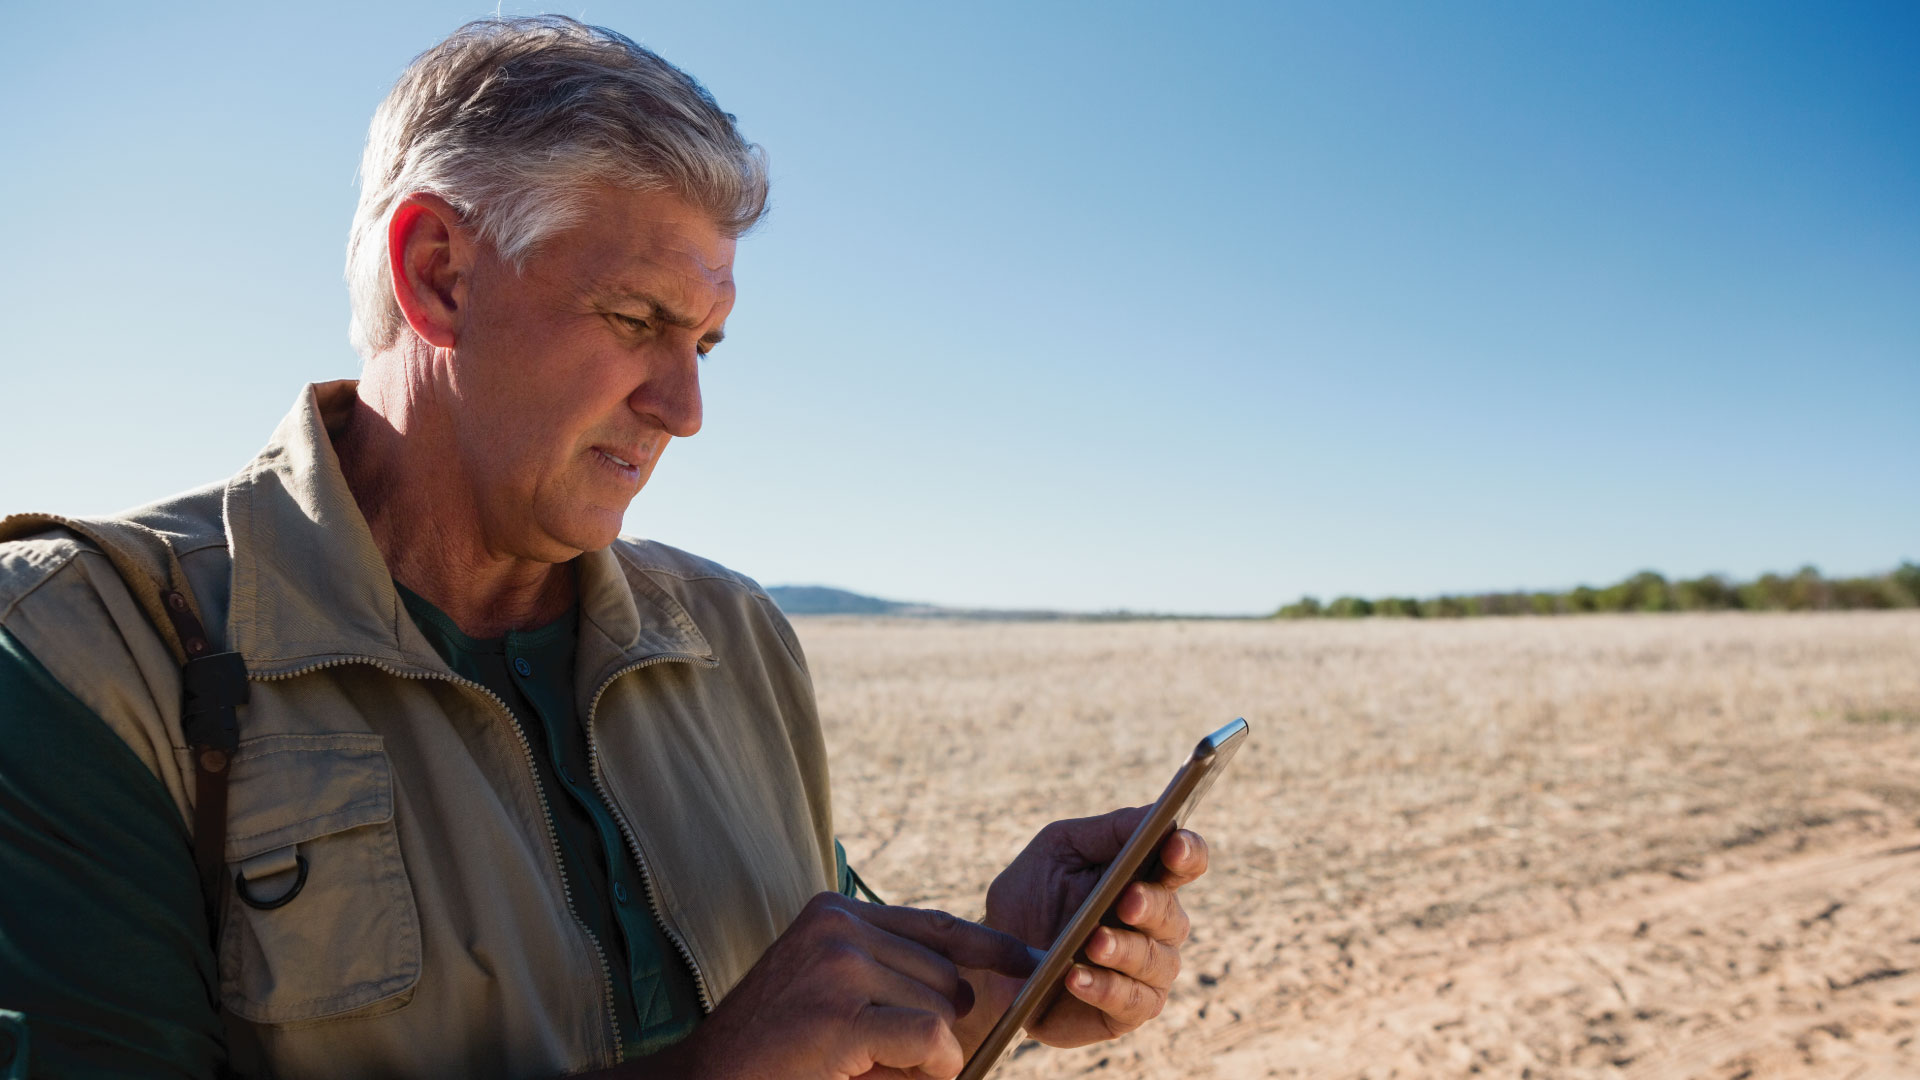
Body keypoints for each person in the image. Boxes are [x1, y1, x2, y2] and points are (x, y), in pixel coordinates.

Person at [0, 16, 1209, 1080]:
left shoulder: (733, 640)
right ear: (439, 274)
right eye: (637, 321)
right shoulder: (88, 653)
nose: (685, 410)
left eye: (709, 345)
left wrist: (1006, 973)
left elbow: (813, 1002)